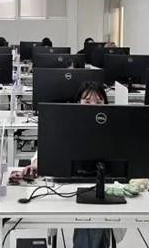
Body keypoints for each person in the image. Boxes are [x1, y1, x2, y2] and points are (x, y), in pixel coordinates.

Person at [24, 81, 118, 248]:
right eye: (87, 102)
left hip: (102, 185)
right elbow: (47, 148)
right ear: (78, 103)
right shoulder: (66, 123)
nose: (93, 106)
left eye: (99, 102)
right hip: (67, 186)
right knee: (92, 220)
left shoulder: (114, 126)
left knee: (94, 218)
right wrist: (38, 163)